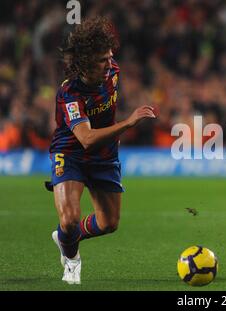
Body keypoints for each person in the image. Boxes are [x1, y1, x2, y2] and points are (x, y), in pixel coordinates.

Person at [47, 17, 156, 284]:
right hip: (71, 152)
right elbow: (85, 138)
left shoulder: (113, 72)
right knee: (70, 218)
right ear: (84, 62)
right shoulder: (69, 93)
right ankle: (72, 261)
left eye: (110, 57)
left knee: (109, 223)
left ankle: (64, 237)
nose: (109, 64)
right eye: (101, 60)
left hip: (105, 155)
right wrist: (128, 123)